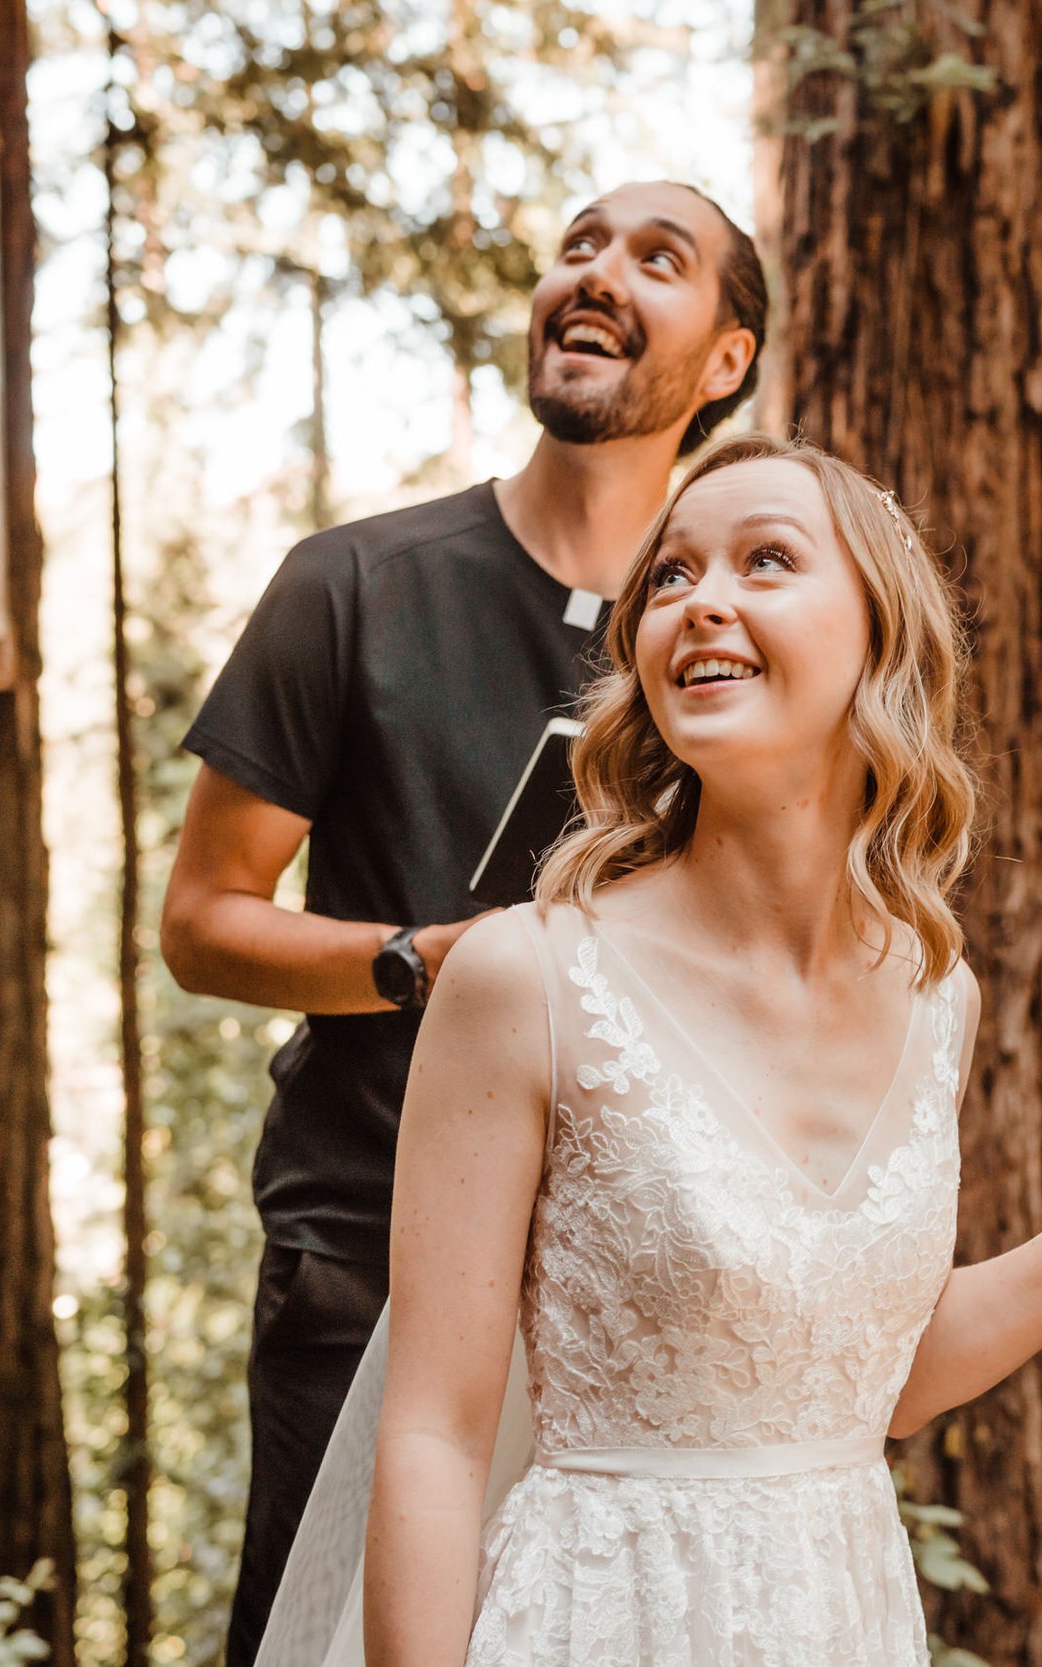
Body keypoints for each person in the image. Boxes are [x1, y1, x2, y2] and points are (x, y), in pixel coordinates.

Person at [247, 434, 1042, 1667]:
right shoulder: (525, 976)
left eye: (766, 560)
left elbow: (880, 1378)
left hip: (843, 1615)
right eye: (670, 577)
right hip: (600, 1621)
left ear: (879, 633)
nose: (702, 599)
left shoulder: (935, 992)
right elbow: (433, 1432)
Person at [160, 180, 768, 1667]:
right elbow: (201, 922)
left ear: (731, 360)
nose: (597, 274)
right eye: (576, 248)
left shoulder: (741, 634)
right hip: (366, 1248)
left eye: (656, 259)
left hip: (642, 1275)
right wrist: (414, 962)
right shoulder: (350, 585)